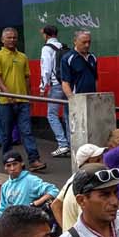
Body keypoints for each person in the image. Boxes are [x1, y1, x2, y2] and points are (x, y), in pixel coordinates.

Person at [0, 27, 46, 170]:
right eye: (9, 37)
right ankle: (8, 162)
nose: (12, 40)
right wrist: (7, 93)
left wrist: (28, 97)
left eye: (14, 37)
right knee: (6, 134)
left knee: (27, 132)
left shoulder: (23, 57)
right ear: (2, 40)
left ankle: (34, 160)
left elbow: (27, 77)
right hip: (5, 102)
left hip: (23, 101)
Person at [39, 24, 71, 157]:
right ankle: (70, 143)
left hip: (56, 85)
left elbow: (45, 68)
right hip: (67, 85)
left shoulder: (47, 48)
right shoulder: (64, 47)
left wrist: (42, 87)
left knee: (51, 115)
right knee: (67, 114)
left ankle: (63, 144)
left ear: (46, 35)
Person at [0, 151, 58, 220]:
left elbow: (54, 190)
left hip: (29, 225)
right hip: (12, 226)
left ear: (22, 163)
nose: (12, 168)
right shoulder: (5, 186)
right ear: (5, 167)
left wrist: (36, 203)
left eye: (15, 164)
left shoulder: (31, 180)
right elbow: (1, 209)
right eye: (8, 165)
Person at [59, 29, 98, 97]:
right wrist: (73, 100)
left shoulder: (92, 58)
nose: (87, 45)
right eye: (84, 42)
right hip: (76, 100)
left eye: (89, 42)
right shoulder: (68, 58)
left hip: (91, 100)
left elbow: (95, 80)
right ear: (75, 41)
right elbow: (65, 83)